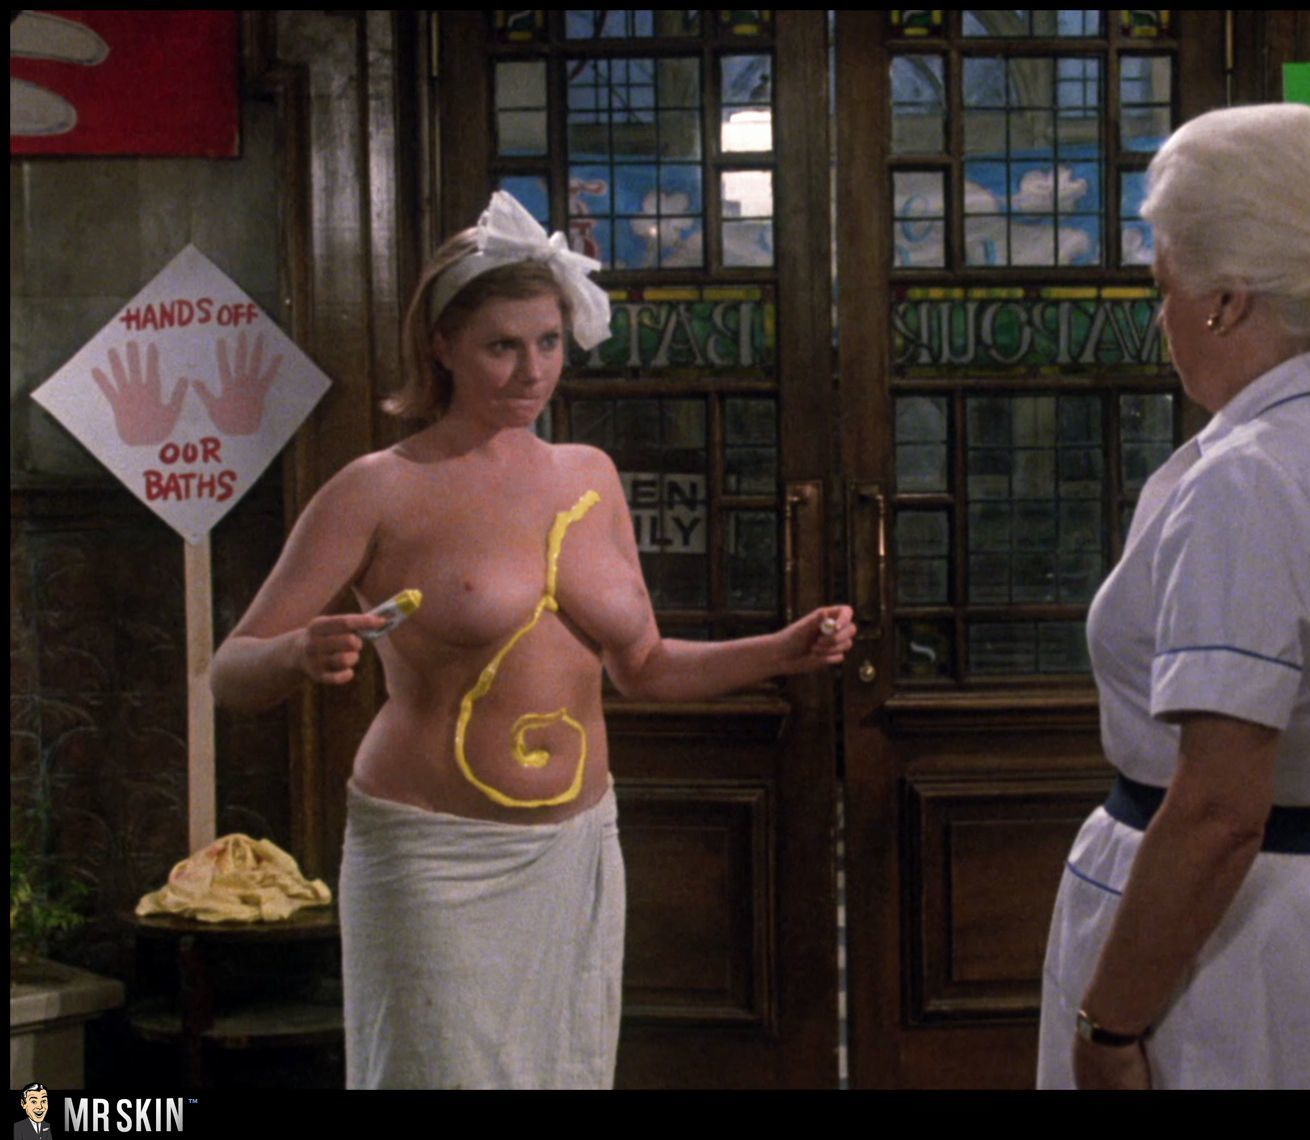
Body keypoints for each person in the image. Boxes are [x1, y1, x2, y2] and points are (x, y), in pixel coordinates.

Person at [211, 192, 854, 1089]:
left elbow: (643, 667)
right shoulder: (377, 489)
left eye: (548, 342)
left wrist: (780, 651)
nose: (531, 371)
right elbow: (229, 672)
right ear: (441, 345)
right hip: (435, 863)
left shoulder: (589, 475)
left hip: (576, 851)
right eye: (502, 347)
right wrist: (295, 653)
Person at [1036, 103, 1310, 1090]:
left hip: (1217, 946)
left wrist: (1110, 1026)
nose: (1162, 318)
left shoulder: (1256, 477)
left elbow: (1219, 807)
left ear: (1224, 299)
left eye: (1164, 287)